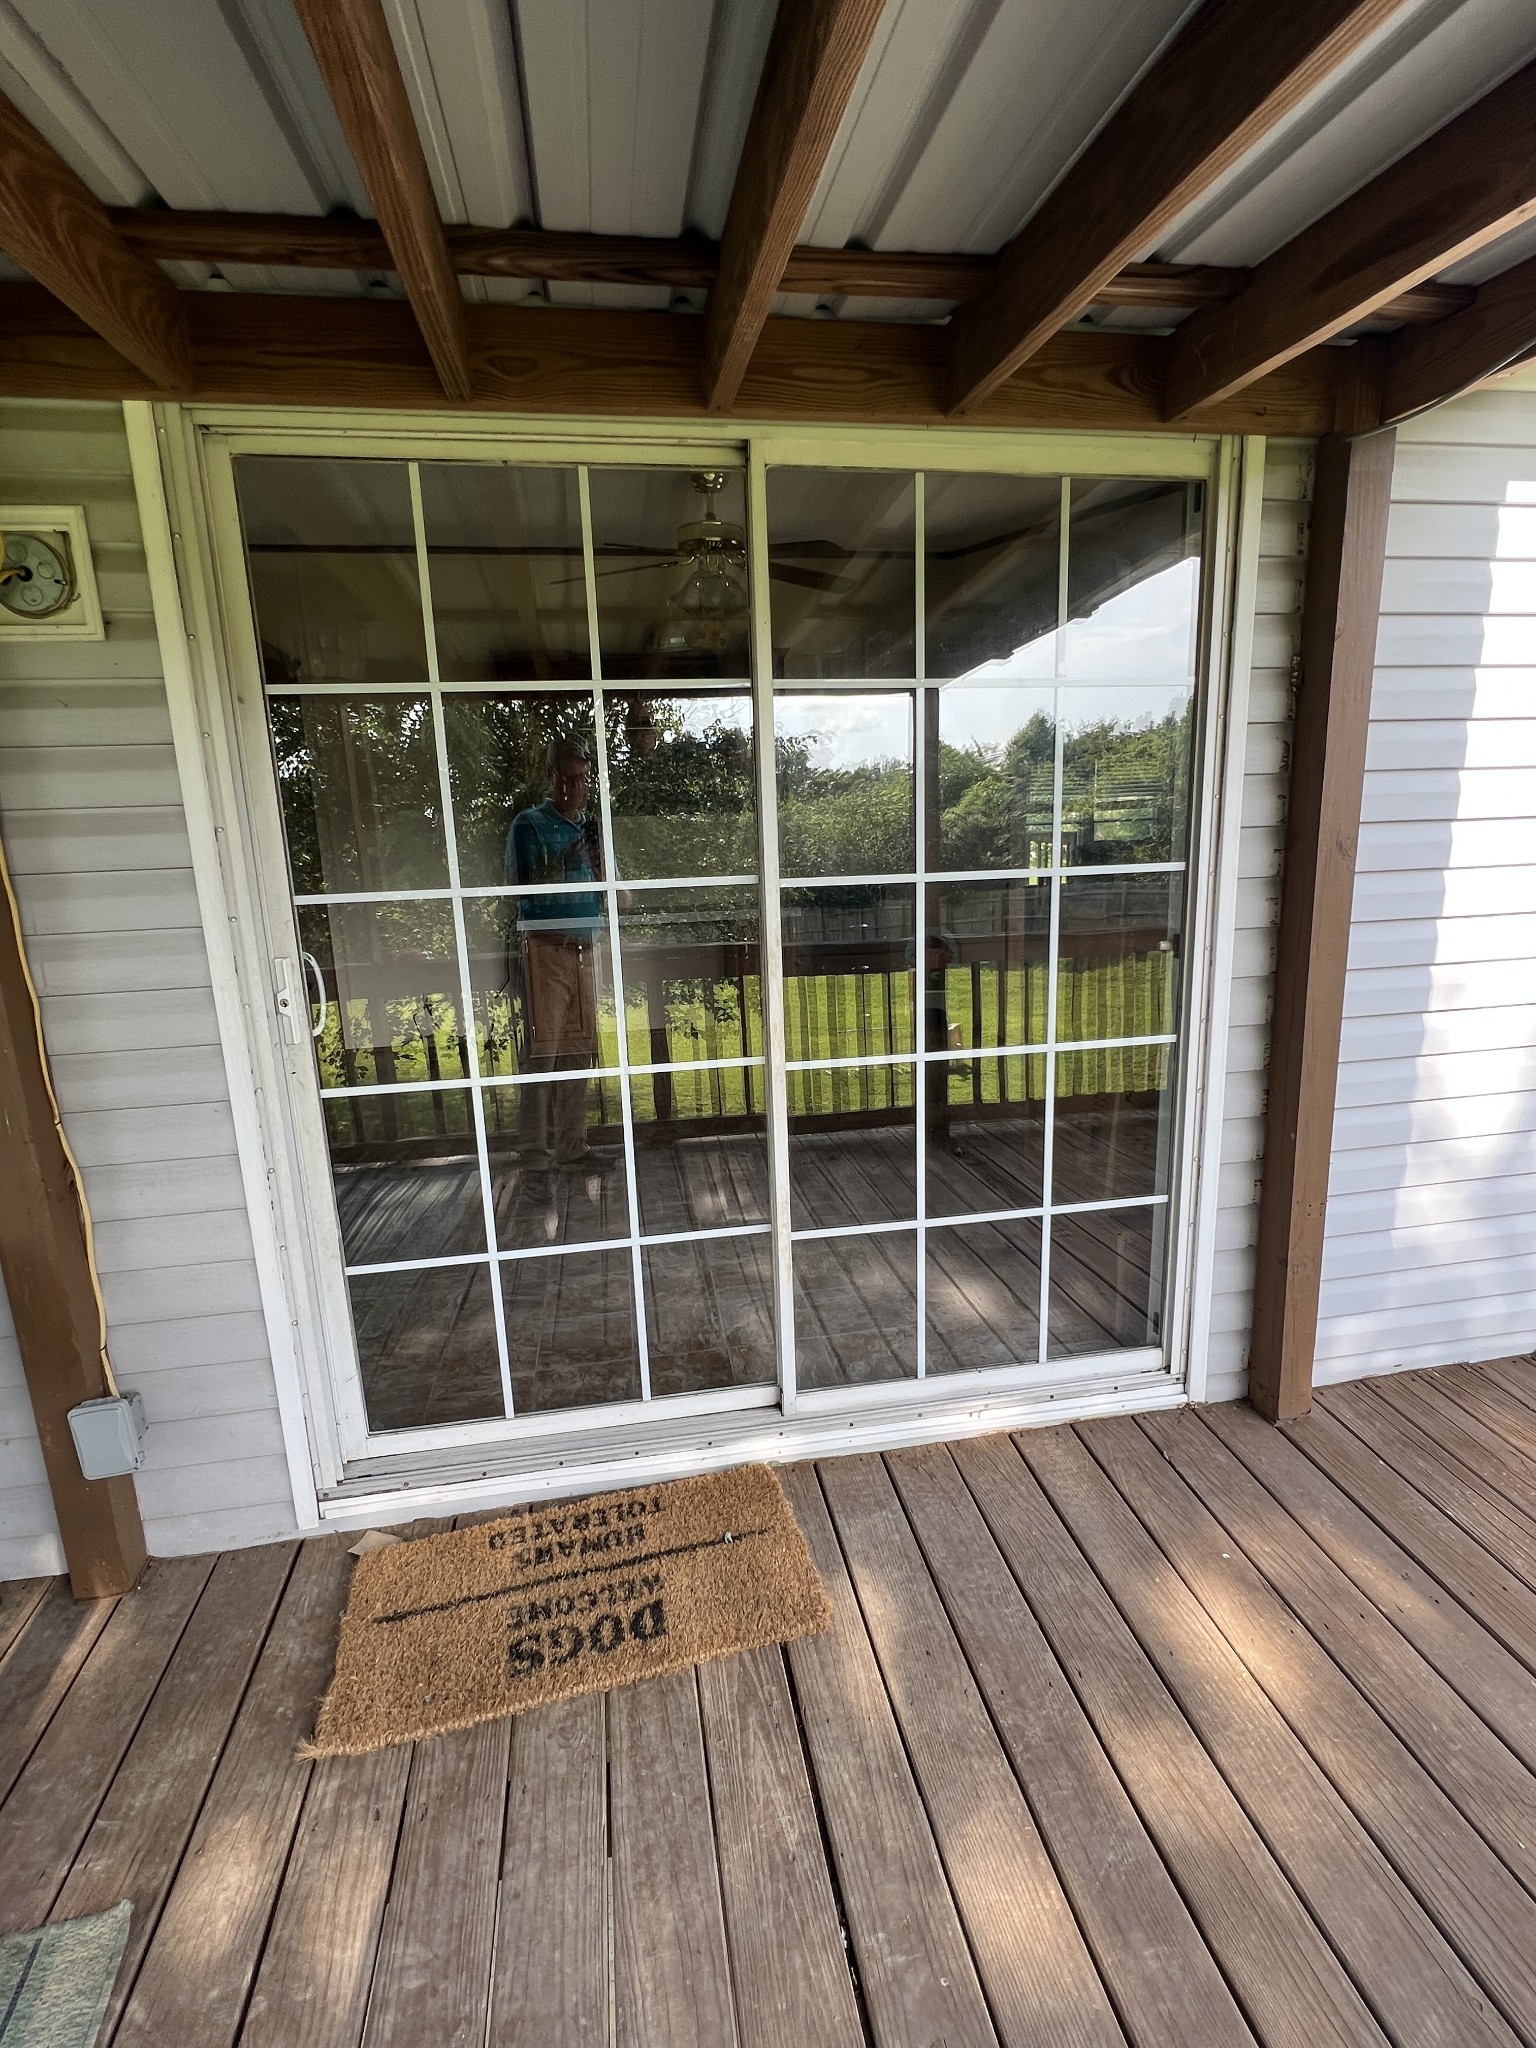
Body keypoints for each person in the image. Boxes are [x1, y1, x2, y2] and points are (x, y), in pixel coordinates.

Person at [506, 738, 618, 1185]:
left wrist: (598, 864)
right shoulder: (528, 825)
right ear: (551, 777)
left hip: (586, 953)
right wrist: (568, 859)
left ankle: (573, 1148)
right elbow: (520, 889)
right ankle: (534, 1156)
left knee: (578, 1053)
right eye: (566, 776)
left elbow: (621, 899)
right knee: (542, 1055)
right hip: (546, 953)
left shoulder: (592, 830)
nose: (574, 786)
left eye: (582, 777)